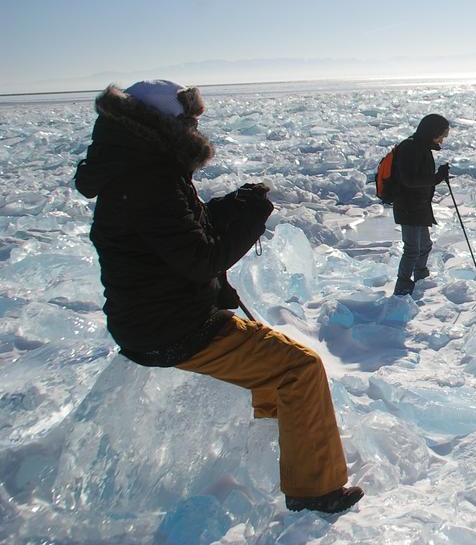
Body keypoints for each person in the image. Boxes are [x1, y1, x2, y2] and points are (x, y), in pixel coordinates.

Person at [73, 80, 363, 514]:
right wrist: (250, 221)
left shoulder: (137, 168)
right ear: (166, 124)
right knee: (300, 368)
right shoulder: (152, 178)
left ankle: (278, 449)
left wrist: (232, 205)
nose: (195, 127)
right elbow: (201, 259)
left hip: (154, 318)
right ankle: (315, 489)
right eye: (189, 120)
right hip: (173, 328)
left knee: (278, 359)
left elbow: (178, 233)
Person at [391, 113, 450, 295]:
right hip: (408, 208)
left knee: (425, 246)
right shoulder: (410, 148)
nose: (443, 139)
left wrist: (436, 178)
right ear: (432, 131)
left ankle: (421, 280)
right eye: (442, 134)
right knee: (412, 250)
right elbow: (410, 180)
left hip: (419, 207)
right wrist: (437, 178)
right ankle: (403, 287)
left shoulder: (422, 147)